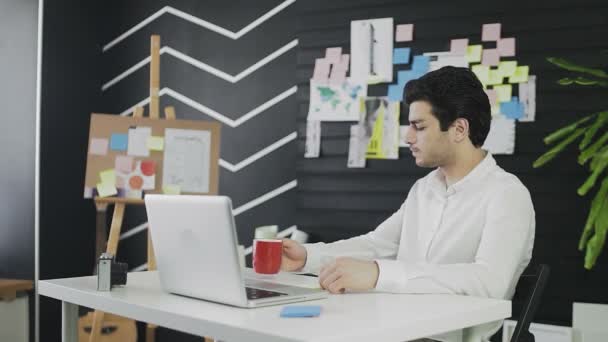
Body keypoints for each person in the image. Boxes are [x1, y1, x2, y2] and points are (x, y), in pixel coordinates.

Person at [281, 66, 535, 342]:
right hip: (398, 329)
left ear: (459, 129)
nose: (407, 137)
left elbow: (489, 282)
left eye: (419, 126)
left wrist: (380, 274)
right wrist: (308, 257)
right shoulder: (424, 189)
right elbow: (378, 244)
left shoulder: (507, 194)